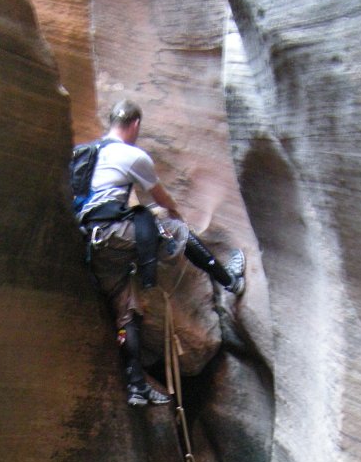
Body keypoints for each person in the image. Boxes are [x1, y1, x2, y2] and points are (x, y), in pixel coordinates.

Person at [78, 99, 246, 407]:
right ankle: (230, 280)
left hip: (94, 241)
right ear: (135, 125)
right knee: (176, 230)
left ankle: (136, 386)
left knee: (126, 307)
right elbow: (161, 196)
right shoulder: (132, 155)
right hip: (115, 232)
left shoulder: (92, 153)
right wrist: (174, 212)